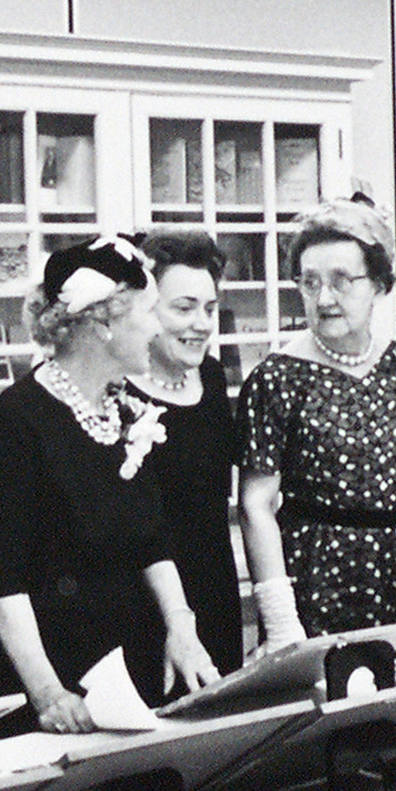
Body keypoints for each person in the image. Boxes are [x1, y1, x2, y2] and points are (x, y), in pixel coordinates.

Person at [0, 236, 220, 737]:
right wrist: (49, 694)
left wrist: (182, 627)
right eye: (146, 311)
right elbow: (4, 585)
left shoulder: (124, 408)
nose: (157, 325)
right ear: (102, 323)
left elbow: (153, 539)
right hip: (59, 686)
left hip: (135, 669)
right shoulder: (14, 424)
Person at [238, 199, 396, 643]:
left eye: (340, 281)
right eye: (309, 283)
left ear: (381, 285)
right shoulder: (275, 378)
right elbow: (256, 505)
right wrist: (280, 621)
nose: (323, 298)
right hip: (314, 585)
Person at [131, 230, 245, 674]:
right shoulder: (117, 392)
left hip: (215, 593)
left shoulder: (213, 379)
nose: (201, 323)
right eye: (184, 308)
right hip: (147, 609)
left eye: (210, 308)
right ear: (145, 310)